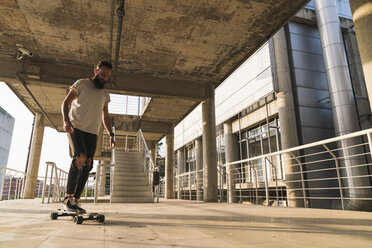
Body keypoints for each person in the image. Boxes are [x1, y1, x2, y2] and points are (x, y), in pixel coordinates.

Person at [61, 60, 115, 213]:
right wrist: (66, 120)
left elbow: (105, 116)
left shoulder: (104, 94)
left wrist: (111, 134)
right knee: (80, 157)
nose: (104, 77)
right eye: (103, 73)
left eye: (107, 75)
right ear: (95, 70)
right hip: (75, 127)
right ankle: (68, 197)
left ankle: (76, 200)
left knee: (89, 163)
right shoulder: (81, 84)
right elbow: (65, 103)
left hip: (92, 132)